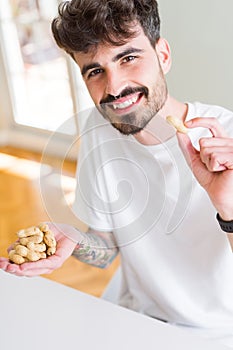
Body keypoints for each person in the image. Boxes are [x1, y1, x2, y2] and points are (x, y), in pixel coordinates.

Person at [1, 0, 233, 346]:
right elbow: (107, 247)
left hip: (217, 334)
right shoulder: (99, 131)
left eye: (128, 58)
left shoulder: (227, 138)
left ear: (163, 56)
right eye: (95, 71)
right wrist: (75, 242)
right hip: (133, 316)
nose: (114, 87)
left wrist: (227, 206)